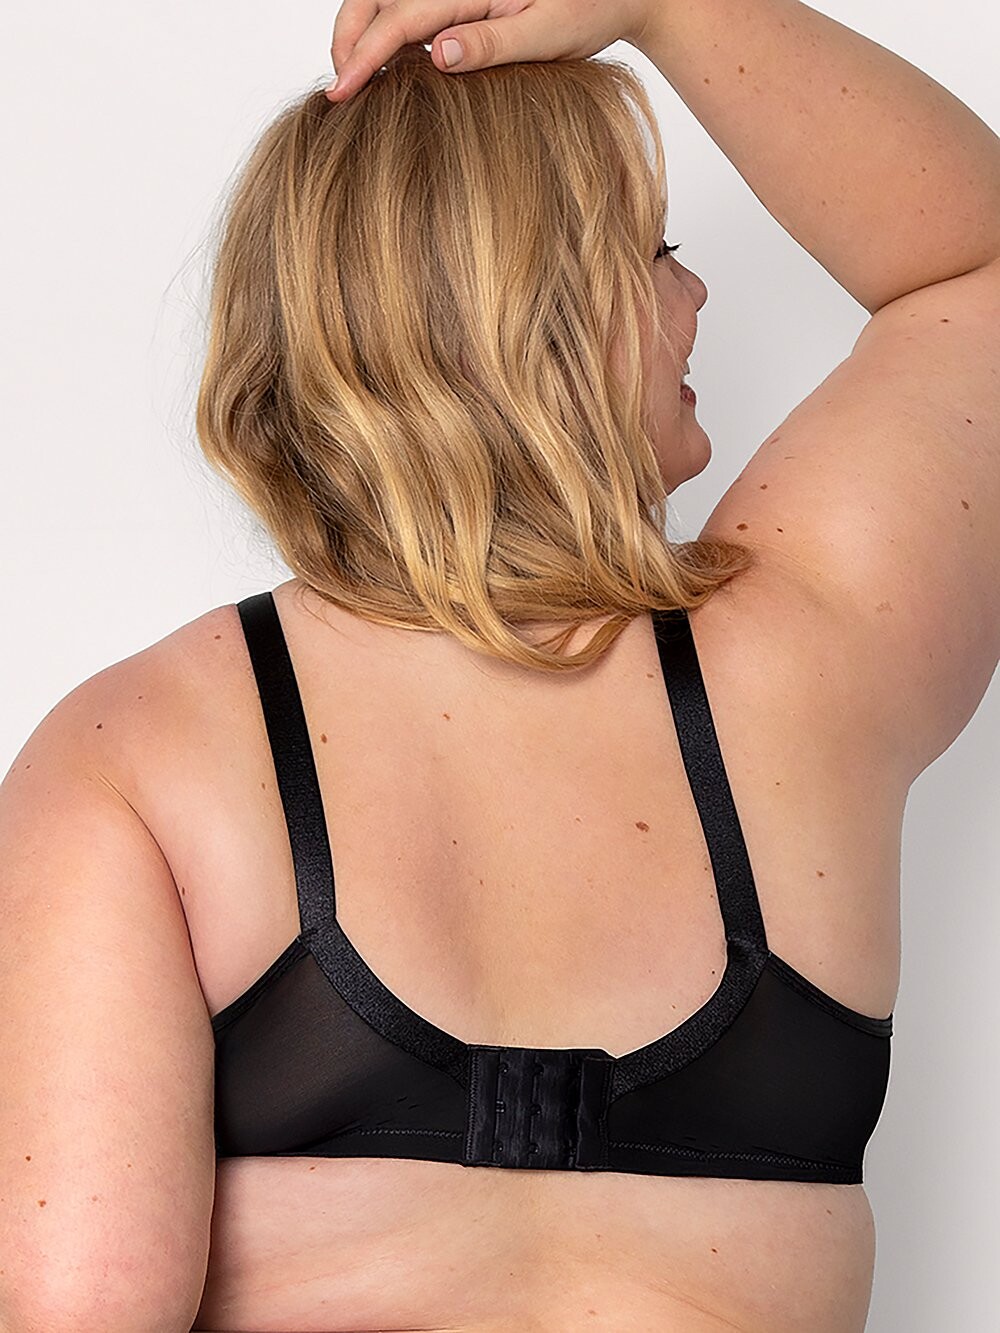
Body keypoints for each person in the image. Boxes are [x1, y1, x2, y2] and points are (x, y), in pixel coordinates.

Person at [2, 0, 998, 1329]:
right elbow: (978, 274)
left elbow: (77, 1311)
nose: (696, 296)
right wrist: (670, 6)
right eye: (657, 253)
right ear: (536, 312)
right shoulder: (805, 665)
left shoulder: (140, 754)